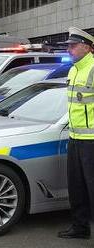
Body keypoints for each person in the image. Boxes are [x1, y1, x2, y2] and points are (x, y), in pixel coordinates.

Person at [58, 27, 94, 240]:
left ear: (87, 47)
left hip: (92, 141)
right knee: (76, 187)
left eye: (73, 45)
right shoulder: (73, 70)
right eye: (69, 46)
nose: (69, 49)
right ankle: (80, 228)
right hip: (75, 138)